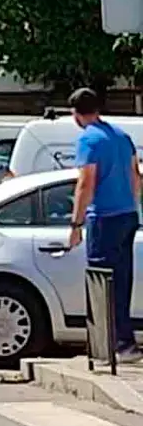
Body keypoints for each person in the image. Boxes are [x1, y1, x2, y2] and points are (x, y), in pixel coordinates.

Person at [67, 88, 142, 363]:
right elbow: (136, 176)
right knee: (121, 280)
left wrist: (75, 223)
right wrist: (131, 204)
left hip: (104, 217)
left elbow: (85, 183)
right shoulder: (121, 136)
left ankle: (105, 346)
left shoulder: (89, 139)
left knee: (100, 281)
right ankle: (126, 343)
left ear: (76, 114)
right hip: (127, 215)